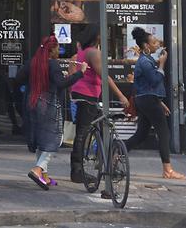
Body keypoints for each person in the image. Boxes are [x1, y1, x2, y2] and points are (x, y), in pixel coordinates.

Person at [69, 26, 130, 183]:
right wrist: (121, 96)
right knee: (83, 132)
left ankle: (105, 164)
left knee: (101, 128)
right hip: (87, 95)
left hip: (83, 93)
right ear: (96, 37)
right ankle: (77, 171)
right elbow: (105, 77)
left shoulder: (83, 52)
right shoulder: (93, 52)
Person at [124, 28, 185, 180]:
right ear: (146, 46)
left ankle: (116, 151)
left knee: (141, 135)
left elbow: (149, 87)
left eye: (157, 42)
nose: (158, 44)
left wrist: (160, 102)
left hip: (148, 100)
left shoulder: (148, 60)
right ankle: (168, 170)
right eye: (154, 42)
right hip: (148, 101)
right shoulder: (145, 62)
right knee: (164, 133)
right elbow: (155, 81)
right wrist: (162, 64)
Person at [27, 35, 86, 190]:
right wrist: (80, 73)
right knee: (54, 139)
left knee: (42, 139)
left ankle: (44, 175)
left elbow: (20, 77)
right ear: (52, 50)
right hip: (50, 105)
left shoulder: (34, 62)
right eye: (57, 48)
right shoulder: (53, 64)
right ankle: (38, 169)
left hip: (34, 103)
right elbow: (61, 84)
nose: (59, 52)